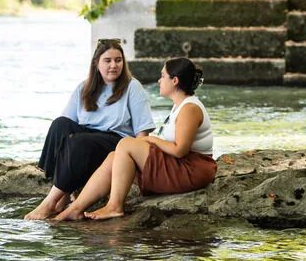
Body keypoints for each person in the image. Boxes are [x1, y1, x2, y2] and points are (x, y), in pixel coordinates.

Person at [58, 57, 216, 221]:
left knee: (126, 144)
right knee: (114, 157)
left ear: (175, 81)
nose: (159, 80)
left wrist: (152, 140)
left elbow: (180, 150)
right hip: (180, 165)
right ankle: (75, 209)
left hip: (191, 170)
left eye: (163, 76)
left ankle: (114, 207)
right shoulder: (180, 105)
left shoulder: (189, 108)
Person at [23, 39, 155, 220]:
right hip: (88, 139)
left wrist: (139, 165)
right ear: (96, 63)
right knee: (59, 124)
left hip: (117, 143)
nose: (113, 65)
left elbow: (142, 133)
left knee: (80, 142)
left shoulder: (133, 87)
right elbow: (66, 127)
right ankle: (62, 196)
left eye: (118, 60)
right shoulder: (84, 88)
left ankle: (50, 202)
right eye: (107, 60)